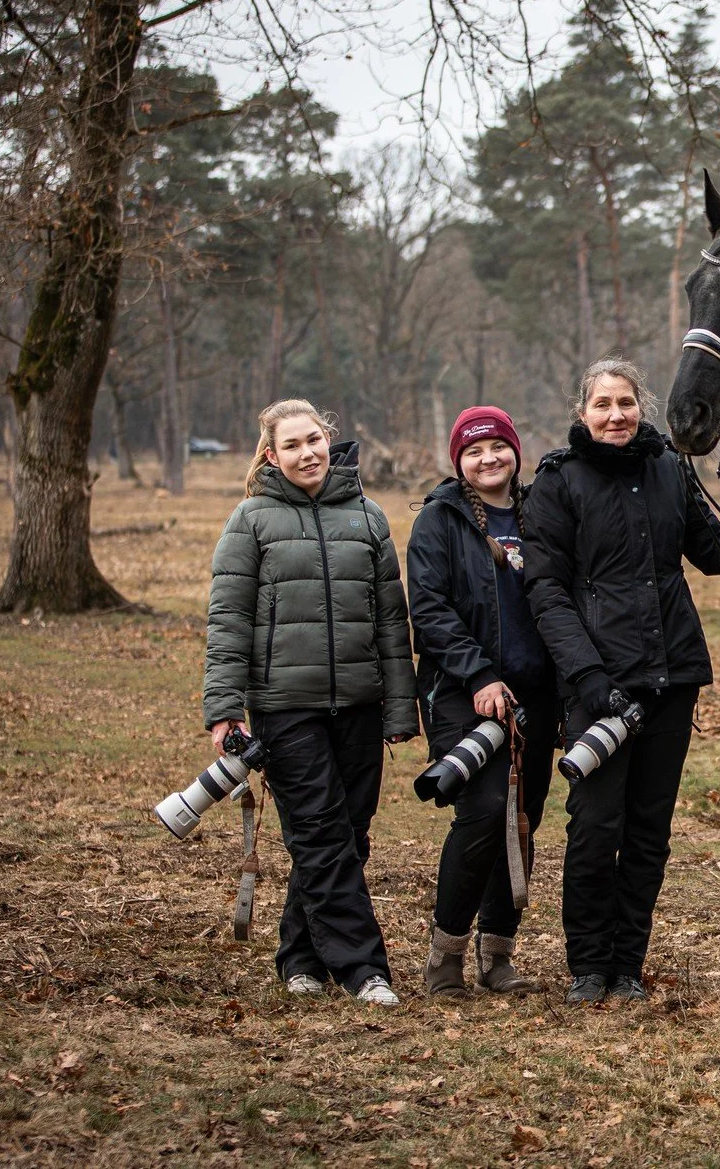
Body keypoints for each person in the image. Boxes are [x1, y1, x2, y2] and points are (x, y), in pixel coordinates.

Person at [520, 359, 720, 1006]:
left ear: (642, 405)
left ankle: (627, 965)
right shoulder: (558, 482)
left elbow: (716, 553)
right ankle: (587, 966)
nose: (616, 414)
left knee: (649, 830)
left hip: (673, 676)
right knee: (593, 826)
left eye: (627, 402)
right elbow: (546, 591)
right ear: (582, 411)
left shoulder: (669, 467)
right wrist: (586, 677)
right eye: (603, 403)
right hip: (598, 686)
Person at [203, 399, 417, 1007]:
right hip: (285, 707)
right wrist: (225, 710)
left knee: (347, 833)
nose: (308, 453)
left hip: (359, 705)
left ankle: (300, 956)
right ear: (271, 456)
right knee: (320, 833)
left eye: (315, 440)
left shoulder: (369, 518)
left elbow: (391, 626)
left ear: (330, 442)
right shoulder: (251, 520)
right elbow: (227, 620)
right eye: (293, 445)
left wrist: (401, 710)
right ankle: (362, 968)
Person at [409, 406, 558, 998]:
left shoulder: (540, 514)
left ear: (515, 451)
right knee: (482, 812)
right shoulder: (439, 521)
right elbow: (429, 608)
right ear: (459, 462)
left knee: (523, 821)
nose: (488, 459)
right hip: (463, 694)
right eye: (474, 451)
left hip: (537, 697)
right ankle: (444, 957)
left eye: (497, 446)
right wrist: (478, 676)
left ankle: (498, 956)